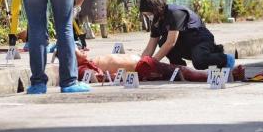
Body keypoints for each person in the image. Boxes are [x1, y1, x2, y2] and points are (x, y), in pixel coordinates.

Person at [139, 0, 235, 70]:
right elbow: (149, 49)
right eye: (146, 15)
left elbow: (171, 42)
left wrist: (153, 63)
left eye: (149, 14)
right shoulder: (157, 22)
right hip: (186, 44)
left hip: (200, 40)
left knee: (199, 62)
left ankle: (225, 59)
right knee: (162, 41)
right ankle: (179, 68)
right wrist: (141, 64)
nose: (149, 17)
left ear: (156, 9)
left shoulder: (175, 13)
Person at [75, 48, 245, 82]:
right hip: (141, 67)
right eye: (78, 51)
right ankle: (226, 75)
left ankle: (223, 75)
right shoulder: (82, 69)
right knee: (183, 71)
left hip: (143, 65)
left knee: (182, 71)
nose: (83, 50)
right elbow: (101, 77)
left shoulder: (87, 62)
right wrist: (127, 77)